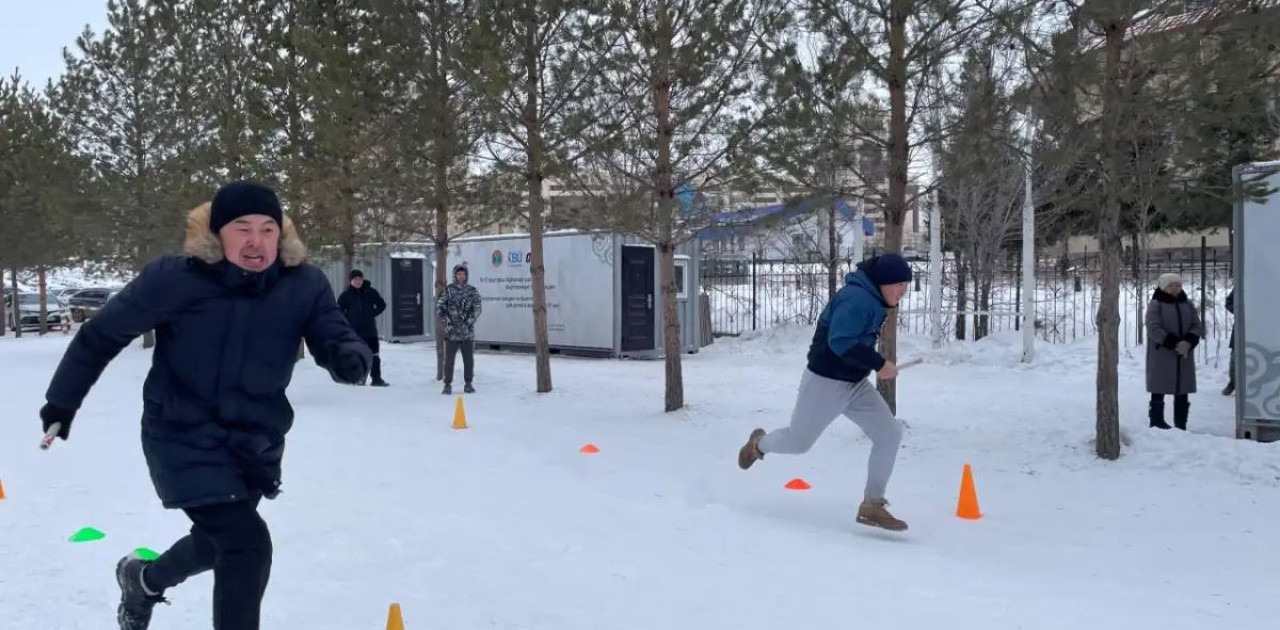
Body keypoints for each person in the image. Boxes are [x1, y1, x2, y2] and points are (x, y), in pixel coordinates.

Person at [37, 180, 372, 630]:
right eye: (242, 228)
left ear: (281, 234)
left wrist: (348, 356)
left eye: (267, 229)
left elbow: (333, 331)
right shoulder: (176, 279)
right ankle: (147, 582)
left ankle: (143, 581)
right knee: (246, 544)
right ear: (217, 233)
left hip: (254, 441)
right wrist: (62, 402)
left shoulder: (303, 284)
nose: (256, 241)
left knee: (219, 542)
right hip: (182, 434)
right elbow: (102, 335)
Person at [737, 254, 912, 532]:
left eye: (906, 285)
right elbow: (840, 341)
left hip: (855, 384)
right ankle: (758, 445)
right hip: (825, 383)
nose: (904, 290)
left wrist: (872, 365)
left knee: (889, 433)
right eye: (899, 284)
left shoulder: (873, 298)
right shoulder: (856, 299)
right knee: (798, 443)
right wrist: (879, 364)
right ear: (883, 281)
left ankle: (872, 504)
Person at [1145, 273, 1203, 430]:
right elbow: (1153, 328)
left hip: (1184, 354)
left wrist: (1189, 341)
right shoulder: (1156, 304)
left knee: (1182, 389)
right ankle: (1157, 421)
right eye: (1171, 286)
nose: (1176, 288)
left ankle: (1181, 423)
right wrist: (1175, 343)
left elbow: (1197, 325)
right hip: (1162, 353)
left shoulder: (1187, 304)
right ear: (1163, 287)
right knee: (1159, 388)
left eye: (1178, 285)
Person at [436, 263, 482, 395]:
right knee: (449, 361)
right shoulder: (448, 290)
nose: (461, 276)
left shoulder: (472, 291)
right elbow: (440, 307)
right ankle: (447, 384)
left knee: (468, 360)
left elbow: (477, 308)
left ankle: (468, 384)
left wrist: (469, 321)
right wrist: (448, 322)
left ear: (466, 275)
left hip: (467, 332)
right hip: (452, 333)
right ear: (455, 275)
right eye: (459, 274)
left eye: (463, 274)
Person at [339, 269, 389, 387]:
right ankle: (360, 378)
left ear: (362, 279)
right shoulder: (346, 295)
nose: (357, 281)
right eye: (355, 279)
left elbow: (382, 305)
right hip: (355, 332)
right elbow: (338, 310)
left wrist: (372, 313)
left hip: (370, 330)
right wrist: (349, 319)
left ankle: (376, 379)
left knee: (375, 355)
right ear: (351, 281)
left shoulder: (371, 292)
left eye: (359, 279)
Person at [1223, 288, 1235, 396]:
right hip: (1241, 326)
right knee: (1235, 359)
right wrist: (1238, 310)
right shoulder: (1243, 284)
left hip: (1262, 327)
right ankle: (1233, 384)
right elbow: (1229, 302)